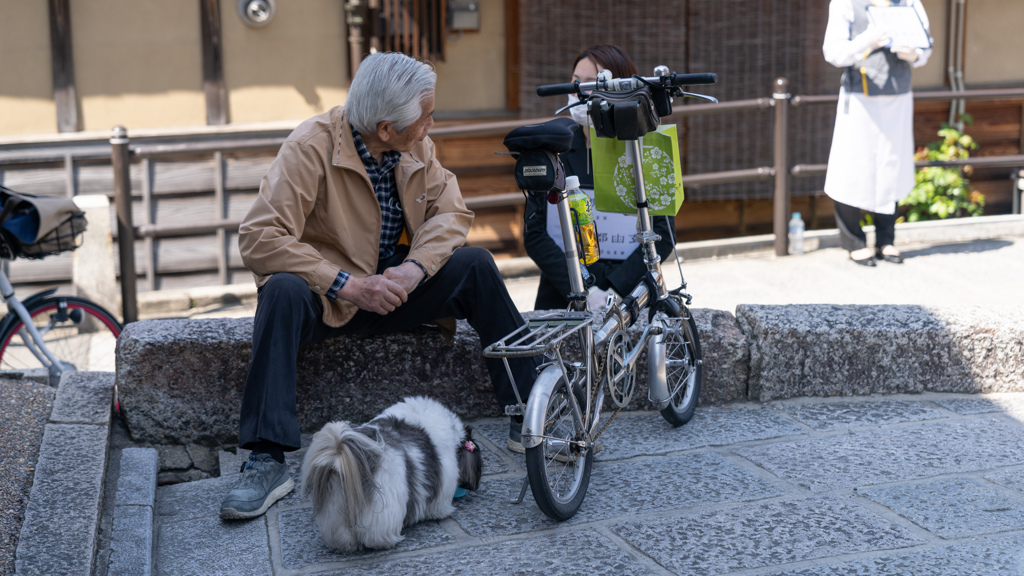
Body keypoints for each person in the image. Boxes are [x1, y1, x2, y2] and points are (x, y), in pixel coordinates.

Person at [220, 52, 538, 521]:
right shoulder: (311, 146)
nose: (432, 123)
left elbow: (452, 214)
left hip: (393, 286)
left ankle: (530, 409)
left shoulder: (416, 147)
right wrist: (344, 283)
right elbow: (259, 237)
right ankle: (267, 459)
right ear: (386, 128)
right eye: (425, 116)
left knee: (474, 264)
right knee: (282, 291)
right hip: (328, 298)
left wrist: (413, 270)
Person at [524, 44, 676, 310]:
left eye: (592, 83)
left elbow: (663, 232)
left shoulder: (648, 149)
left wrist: (617, 288)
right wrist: (584, 287)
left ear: (620, 86)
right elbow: (535, 234)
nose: (580, 92)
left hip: (631, 297)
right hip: (562, 295)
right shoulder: (551, 151)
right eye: (575, 82)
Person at [822, 0, 932, 266]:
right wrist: (866, 42)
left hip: (898, 97)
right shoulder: (845, 2)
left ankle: (886, 239)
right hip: (861, 97)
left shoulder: (907, 1)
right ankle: (853, 240)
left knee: (892, 162)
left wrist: (913, 54)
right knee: (853, 165)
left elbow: (925, 45)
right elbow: (833, 52)